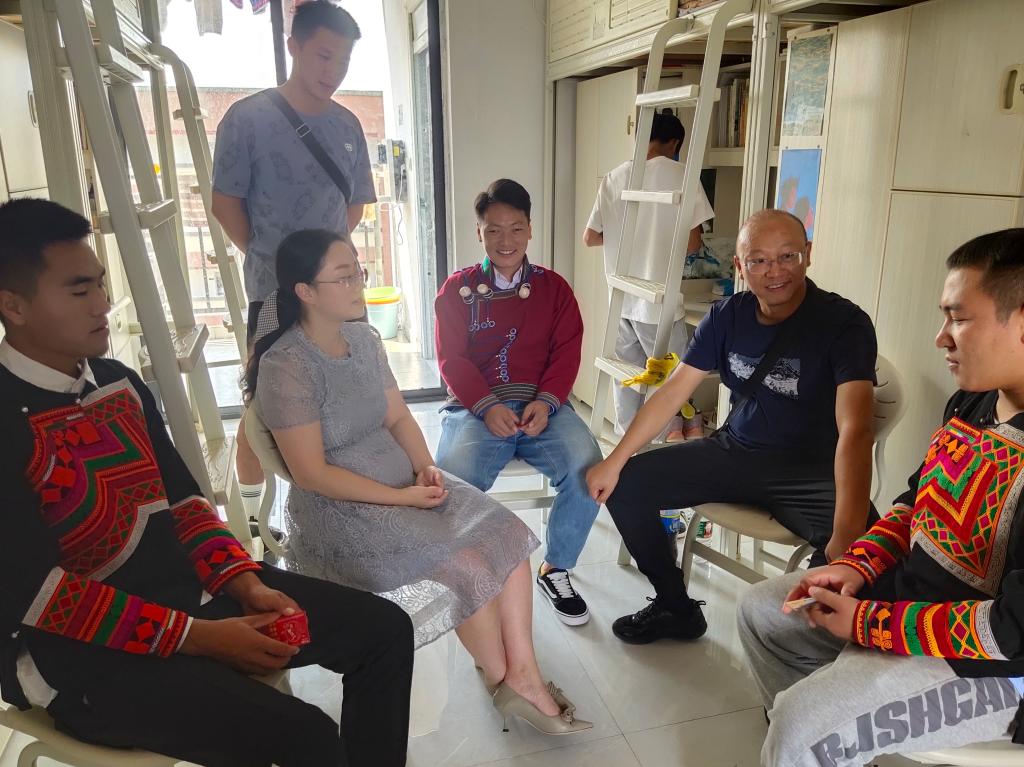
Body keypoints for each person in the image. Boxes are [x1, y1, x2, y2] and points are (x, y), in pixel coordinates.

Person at [0, 198, 413, 767]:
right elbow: (38, 595)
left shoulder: (118, 383)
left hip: (190, 597)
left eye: (100, 283)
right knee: (309, 737)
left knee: (383, 631)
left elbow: (186, 503)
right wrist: (200, 637)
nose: (102, 304)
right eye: (78, 291)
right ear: (13, 306)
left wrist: (244, 582)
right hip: (81, 658)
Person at [245, 227, 591, 735]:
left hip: (402, 481)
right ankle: (507, 683)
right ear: (305, 291)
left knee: (510, 541)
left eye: (358, 271)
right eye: (344, 277)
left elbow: (399, 417)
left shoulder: (363, 339)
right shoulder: (287, 366)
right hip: (340, 508)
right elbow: (312, 475)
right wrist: (401, 496)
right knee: (466, 566)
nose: (358, 284)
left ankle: (523, 675)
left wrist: (425, 466)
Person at [738, 228, 1024, 766]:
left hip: (994, 667)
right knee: (762, 612)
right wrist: (857, 565)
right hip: (913, 603)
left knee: (801, 723)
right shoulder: (974, 402)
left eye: (959, 318)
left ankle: (813, 736)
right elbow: (915, 504)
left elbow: (1013, 630)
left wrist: (869, 625)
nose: (941, 338)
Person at [587, 209, 878, 644]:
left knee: (868, 555)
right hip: (735, 452)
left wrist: (847, 534)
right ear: (740, 266)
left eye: (787, 256)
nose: (774, 271)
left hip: (810, 471)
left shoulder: (844, 324)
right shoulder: (727, 316)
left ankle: (805, 655)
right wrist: (615, 459)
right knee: (625, 484)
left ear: (808, 254)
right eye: (758, 260)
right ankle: (675, 607)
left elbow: (856, 430)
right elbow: (673, 391)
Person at [211, 0, 377, 526]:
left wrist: (326, 270)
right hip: (272, 293)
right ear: (294, 47)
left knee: (349, 401)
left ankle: (343, 513)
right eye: (324, 56)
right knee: (262, 409)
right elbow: (225, 205)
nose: (333, 71)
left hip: (339, 293)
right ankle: (255, 522)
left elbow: (354, 206)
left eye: (343, 61)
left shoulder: (348, 125)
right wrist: (280, 266)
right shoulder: (246, 119)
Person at [433, 179, 604, 628]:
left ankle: (556, 568)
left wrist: (546, 403)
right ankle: (467, 572)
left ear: (530, 229)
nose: (505, 240)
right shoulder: (456, 290)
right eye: (493, 230)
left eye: (515, 228)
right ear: (479, 233)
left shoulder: (555, 289)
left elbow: (566, 352)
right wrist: (486, 406)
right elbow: (452, 360)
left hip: (542, 407)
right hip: (475, 408)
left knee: (589, 468)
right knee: (451, 479)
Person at [583, 111, 715, 434]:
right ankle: (669, 443)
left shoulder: (614, 177)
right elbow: (693, 244)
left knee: (627, 381)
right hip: (658, 304)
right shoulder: (682, 175)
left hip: (621, 301)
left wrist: (628, 237)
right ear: (675, 143)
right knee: (674, 384)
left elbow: (591, 237)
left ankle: (628, 450)